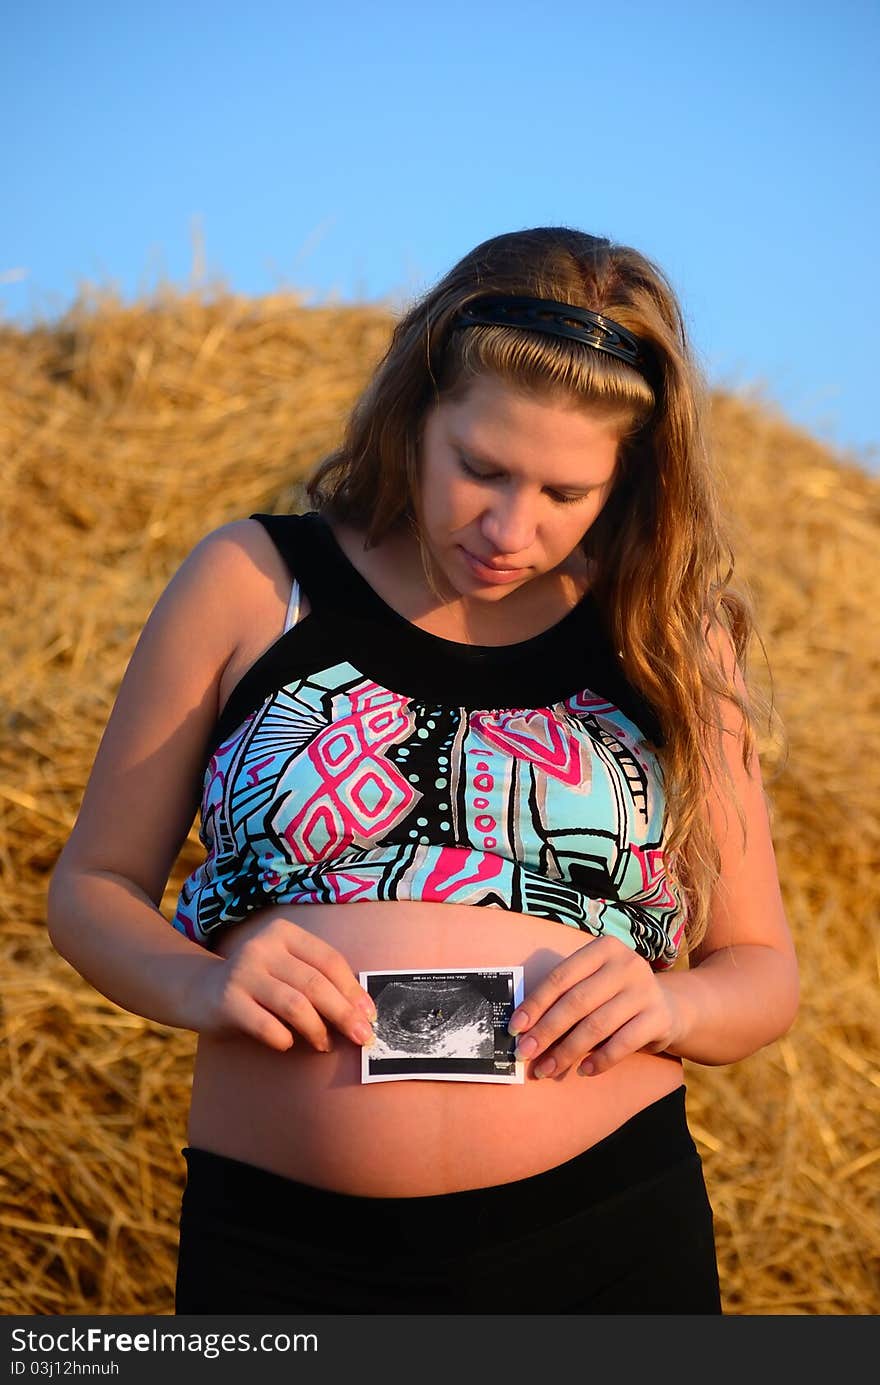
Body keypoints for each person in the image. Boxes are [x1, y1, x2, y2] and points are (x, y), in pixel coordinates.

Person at [46, 226, 799, 1315]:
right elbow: (91, 888)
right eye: (480, 468)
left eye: (564, 492)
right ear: (416, 411)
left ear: (626, 480)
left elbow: (760, 970)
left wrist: (665, 1003)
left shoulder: (666, 636)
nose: (509, 527)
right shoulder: (256, 581)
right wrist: (199, 983)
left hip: (603, 1230)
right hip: (281, 1245)